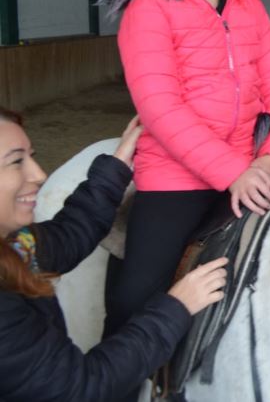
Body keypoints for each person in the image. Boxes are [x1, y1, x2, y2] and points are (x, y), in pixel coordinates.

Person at [97, 0, 270, 398]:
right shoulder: (148, 12)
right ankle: (110, 387)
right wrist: (233, 171)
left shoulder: (251, 7)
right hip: (175, 181)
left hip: (249, 169)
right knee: (135, 297)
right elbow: (161, 111)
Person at [0, 109, 228, 401]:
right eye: (16, 161)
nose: (39, 174)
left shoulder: (17, 246)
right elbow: (82, 389)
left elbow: (70, 233)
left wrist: (116, 166)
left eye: (32, 156)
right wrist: (176, 307)